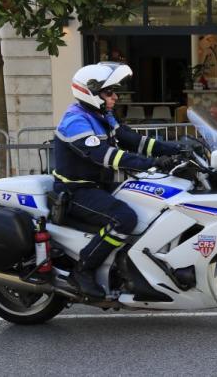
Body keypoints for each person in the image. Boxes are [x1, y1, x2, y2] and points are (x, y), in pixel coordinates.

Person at [53, 62, 183, 298]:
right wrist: (152, 163)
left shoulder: (102, 115)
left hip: (101, 185)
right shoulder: (75, 120)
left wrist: (176, 148)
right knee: (124, 218)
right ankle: (83, 270)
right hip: (77, 190)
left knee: (154, 201)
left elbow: (131, 139)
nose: (115, 97)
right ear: (91, 92)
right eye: (109, 92)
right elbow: (103, 155)